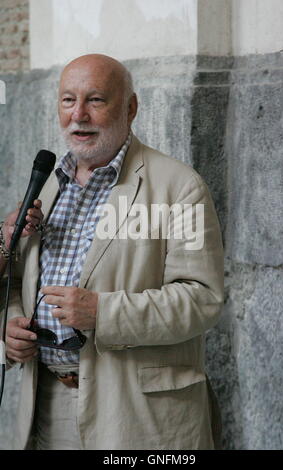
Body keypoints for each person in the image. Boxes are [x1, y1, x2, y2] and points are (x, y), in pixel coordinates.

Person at [5, 54, 224, 450]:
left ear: (131, 107)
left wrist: (104, 313)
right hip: (47, 406)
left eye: (96, 100)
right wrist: (12, 325)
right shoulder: (48, 184)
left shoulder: (181, 187)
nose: (79, 115)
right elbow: (19, 280)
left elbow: (202, 298)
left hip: (138, 416)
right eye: (68, 100)